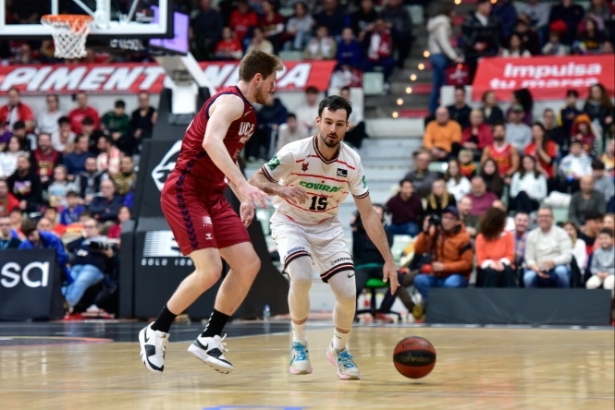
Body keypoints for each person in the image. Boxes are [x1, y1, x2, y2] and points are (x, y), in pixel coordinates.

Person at [138, 50, 282, 374]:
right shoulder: (231, 102)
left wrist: (239, 194)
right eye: (272, 82)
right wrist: (244, 187)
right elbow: (210, 143)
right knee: (210, 270)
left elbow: (224, 159)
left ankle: (210, 336)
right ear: (257, 78)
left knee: (248, 264)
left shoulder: (248, 114)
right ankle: (156, 330)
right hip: (186, 191)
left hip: (212, 194)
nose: (274, 89)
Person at [248, 95, 399, 380]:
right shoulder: (295, 151)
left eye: (339, 124)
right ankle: (299, 343)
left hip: (327, 226)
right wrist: (281, 190)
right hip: (290, 221)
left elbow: (368, 215)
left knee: (348, 294)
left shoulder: (352, 162)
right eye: (328, 122)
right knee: (302, 276)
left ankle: (338, 349)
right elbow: (257, 178)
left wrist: (388, 259)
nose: (332, 129)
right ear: (318, 121)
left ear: (347, 127)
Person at [413, 206, 473, 304]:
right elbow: (419, 250)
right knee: (419, 280)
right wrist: (425, 232)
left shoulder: (464, 238)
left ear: (457, 221)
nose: (447, 221)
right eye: (445, 217)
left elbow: (467, 264)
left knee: (450, 283)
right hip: (437, 276)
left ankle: (443, 308)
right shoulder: (436, 233)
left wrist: (445, 267)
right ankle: (434, 306)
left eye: (450, 218)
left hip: (457, 276)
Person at [64, 218, 116, 312]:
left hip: (92, 268)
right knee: (67, 281)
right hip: (76, 266)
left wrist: (87, 244)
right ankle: (62, 303)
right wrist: (83, 238)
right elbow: (69, 246)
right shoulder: (82, 241)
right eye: (86, 227)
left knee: (81, 281)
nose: (88, 229)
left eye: (91, 227)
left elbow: (105, 249)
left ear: (97, 229)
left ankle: (67, 305)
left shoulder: (103, 240)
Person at [427, 3, 463, 115]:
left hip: (434, 55)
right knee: (445, 84)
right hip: (440, 57)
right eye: (453, 11)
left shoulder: (435, 23)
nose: (455, 14)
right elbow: (444, 43)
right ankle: (444, 109)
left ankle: (433, 110)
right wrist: (454, 57)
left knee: (437, 84)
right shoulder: (443, 24)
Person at [523, 206, 573, 288]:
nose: (543, 219)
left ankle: (564, 298)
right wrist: (537, 269)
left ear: (552, 218)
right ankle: (532, 300)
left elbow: (567, 256)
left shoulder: (562, 233)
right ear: (537, 219)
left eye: (546, 216)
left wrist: (553, 262)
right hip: (537, 268)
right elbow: (529, 258)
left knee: (561, 272)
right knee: (528, 278)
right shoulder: (531, 235)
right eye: (541, 216)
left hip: (557, 266)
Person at [18, 218, 70, 283]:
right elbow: (21, 263)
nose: (30, 238)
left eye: (32, 234)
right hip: (34, 274)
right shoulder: (23, 245)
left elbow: (62, 257)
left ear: (37, 229)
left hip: (55, 270)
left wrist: (47, 265)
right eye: (27, 236)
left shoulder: (52, 238)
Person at [476, 207, 517, 287]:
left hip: (504, 264)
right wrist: (491, 264)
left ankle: (511, 297)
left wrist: (501, 263)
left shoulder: (508, 235)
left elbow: (510, 255)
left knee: (507, 271)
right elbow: (481, 260)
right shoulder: (481, 237)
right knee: (491, 272)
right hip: (488, 267)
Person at [586, 228, 614, 295]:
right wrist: (598, 273)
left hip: (612, 274)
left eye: (606, 238)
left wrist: (609, 273)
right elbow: (593, 267)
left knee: (608, 284)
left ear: (612, 239)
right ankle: (594, 303)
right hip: (599, 274)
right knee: (590, 284)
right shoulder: (596, 252)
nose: (603, 241)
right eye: (601, 239)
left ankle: (610, 303)